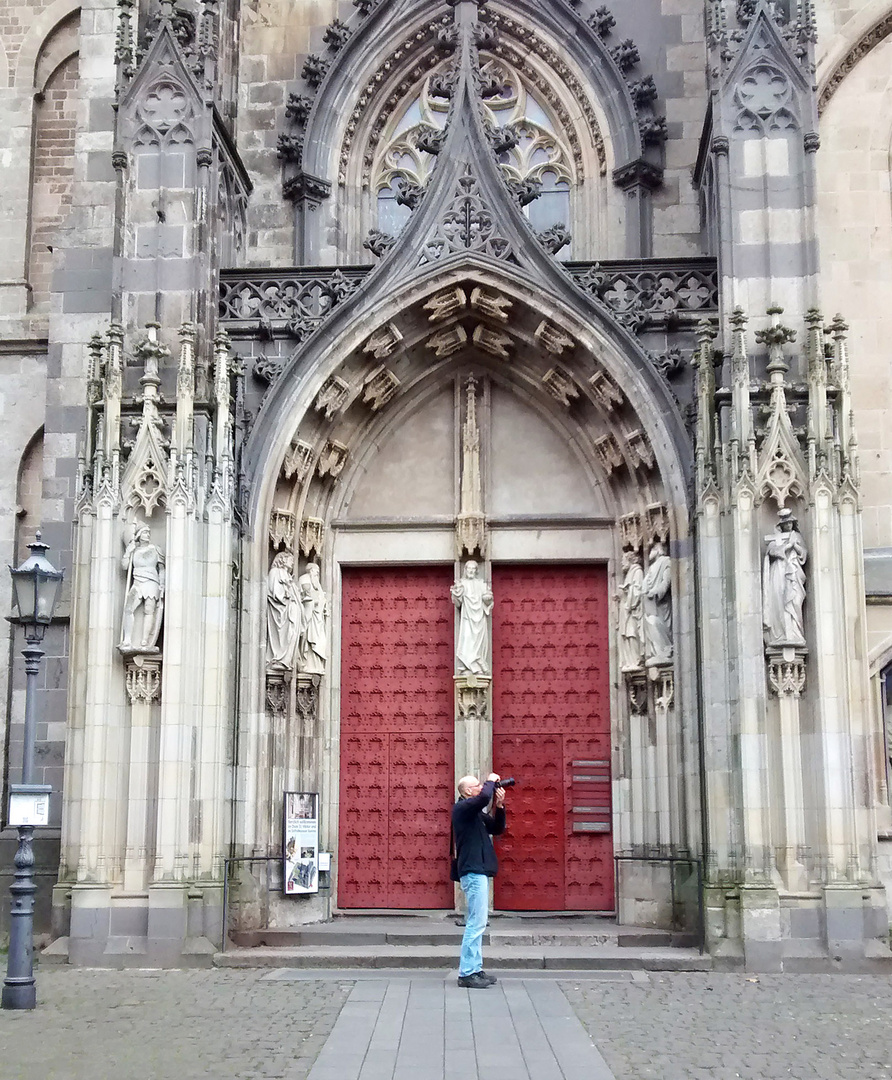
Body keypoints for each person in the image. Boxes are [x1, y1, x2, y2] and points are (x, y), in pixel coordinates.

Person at [451, 772, 506, 989]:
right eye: (477, 785)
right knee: (475, 923)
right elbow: (483, 798)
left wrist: (500, 806)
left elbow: (497, 828)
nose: (481, 788)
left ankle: (475, 969)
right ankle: (466, 973)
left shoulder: (476, 814)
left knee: (479, 922)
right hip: (473, 872)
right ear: (466, 791)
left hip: (479, 870)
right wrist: (491, 781)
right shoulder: (462, 809)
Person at [451, 561, 494, 675]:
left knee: (478, 642)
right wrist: (456, 593)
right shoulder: (462, 584)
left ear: (476, 571)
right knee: (467, 641)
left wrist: (488, 598)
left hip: (479, 617)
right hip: (467, 618)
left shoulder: (481, 584)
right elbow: (458, 603)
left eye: (473, 569)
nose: (470, 571)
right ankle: (469, 666)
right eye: (468, 568)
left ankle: (479, 662)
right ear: (465, 570)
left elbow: (488, 598)